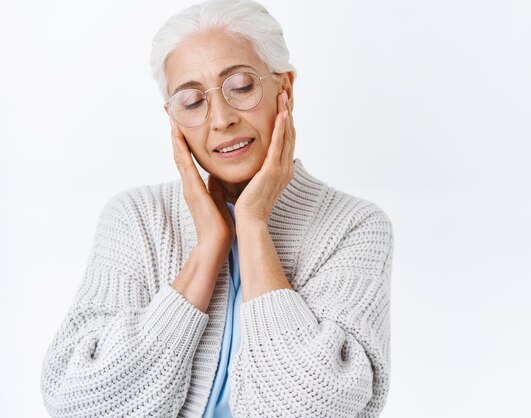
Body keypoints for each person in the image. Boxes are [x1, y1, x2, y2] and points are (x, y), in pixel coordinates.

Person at [39, 0, 394, 416]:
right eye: (192, 102)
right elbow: (76, 403)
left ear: (286, 89)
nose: (221, 119)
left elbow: (316, 408)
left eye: (241, 87)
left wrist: (254, 223)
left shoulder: (355, 226)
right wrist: (208, 248)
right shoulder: (136, 217)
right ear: (173, 120)